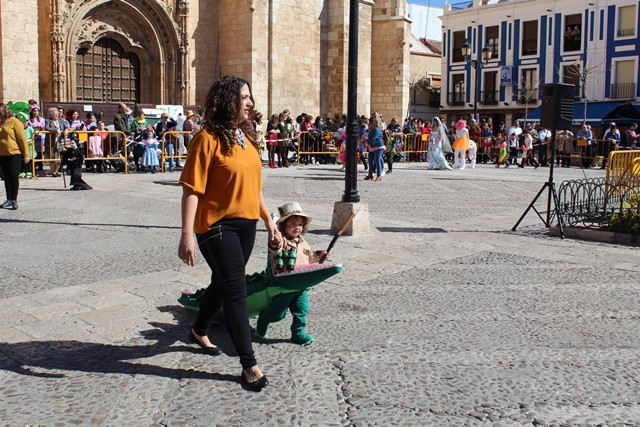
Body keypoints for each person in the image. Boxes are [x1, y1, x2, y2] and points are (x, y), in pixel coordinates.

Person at [178, 75, 279, 392]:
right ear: (227, 101)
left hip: (246, 225)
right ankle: (249, 364)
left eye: (250, 97)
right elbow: (192, 190)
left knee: (222, 284)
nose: (250, 102)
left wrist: (270, 222)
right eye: (244, 97)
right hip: (216, 226)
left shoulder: (247, 138)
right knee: (236, 291)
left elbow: (255, 188)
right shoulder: (206, 139)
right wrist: (186, 235)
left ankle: (199, 329)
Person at [255, 202, 329, 346]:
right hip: (284, 286)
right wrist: (274, 236)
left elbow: (308, 258)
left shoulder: (302, 243)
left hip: (301, 284)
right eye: (293, 224)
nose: (297, 227)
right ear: (283, 226)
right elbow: (275, 247)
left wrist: (319, 255)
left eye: (300, 224)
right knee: (277, 314)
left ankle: (298, 333)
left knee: (301, 310)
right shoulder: (281, 241)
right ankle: (264, 319)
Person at [0, 104, 30, 209]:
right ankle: (8, 199)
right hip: (2, 154)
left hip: (15, 153)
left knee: (13, 175)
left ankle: (14, 199)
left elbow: (22, 139)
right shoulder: (0, 123)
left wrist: (26, 154)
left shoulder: (15, 122)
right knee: (6, 176)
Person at [45, 106, 69, 177]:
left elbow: (66, 126)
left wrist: (66, 129)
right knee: (52, 156)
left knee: (58, 156)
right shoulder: (48, 120)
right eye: (54, 114)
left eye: (57, 114)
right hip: (51, 141)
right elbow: (47, 127)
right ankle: (53, 171)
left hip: (59, 140)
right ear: (51, 115)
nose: (56, 116)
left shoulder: (61, 120)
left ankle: (56, 170)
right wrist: (55, 130)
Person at [363, 113, 385, 181]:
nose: (368, 124)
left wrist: (365, 140)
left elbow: (372, 138)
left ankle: (379, 175)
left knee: (377, 160)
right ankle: (370, 175)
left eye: (369, 123)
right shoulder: (371, 130)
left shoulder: (376, 130)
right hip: (372, 147)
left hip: (378, 147)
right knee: (370, 160)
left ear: (373, 123)